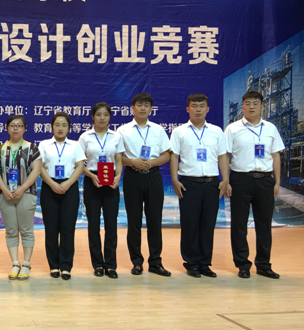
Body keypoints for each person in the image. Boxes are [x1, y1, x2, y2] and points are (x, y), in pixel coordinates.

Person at [224, 91, 285, 279]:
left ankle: (264, 265)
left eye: (255, 103)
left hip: (265, 180)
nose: (251, 106)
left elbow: (275, 156)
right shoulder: (232, 129)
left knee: (264, 224)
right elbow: (225, 156)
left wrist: (277, 182)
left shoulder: (270, 128)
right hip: (240, 179)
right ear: (242, 106)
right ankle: (242, 265)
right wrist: (226, 181)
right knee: (239, 224)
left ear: (262, 107)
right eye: (248, 103)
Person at [170, 94, 228, 278]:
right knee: (190, 225)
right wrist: (174, 179)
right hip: (189, 184)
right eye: (194, 106)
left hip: (212, 184)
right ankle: (192, 263)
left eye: (202, 106)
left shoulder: (217, 131)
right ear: (188, 109)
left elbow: (222, 156)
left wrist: (225, 179)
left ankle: (204, 263)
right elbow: (174, 156)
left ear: (207, 109)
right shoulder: (179, 132)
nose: (198, 109)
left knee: (208, 225)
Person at [117, 93, 171, 277]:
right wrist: (133, 162)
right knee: (134, 221)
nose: (143, 108)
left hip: (153, 176)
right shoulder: (123, 130)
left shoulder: (158, 130)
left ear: (151, 109)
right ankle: (137, 262)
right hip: (133, 176)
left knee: (155, 220)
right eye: (139, 105)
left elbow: (167, 154)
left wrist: (151, 163)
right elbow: (118, 157)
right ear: (133, 108)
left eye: (146, 105)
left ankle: (155, 262)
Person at [78, 103, 125, 279]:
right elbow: (79, 163)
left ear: (110, 117)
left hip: (111, 180)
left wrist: (118, 176)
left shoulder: (116, 136)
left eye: (105, 115)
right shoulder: (85, 137)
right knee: (94, 225)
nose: (102, 118)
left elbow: (119, 160)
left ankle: (111, 265)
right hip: (93, 180)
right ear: (93, 117)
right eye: (98, 115)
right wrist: (91, 176)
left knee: (111, 225)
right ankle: (98, 264)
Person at [0, 115, 42, 280]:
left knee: (26, 230)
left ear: (25, 128)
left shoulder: (32, 148)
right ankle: (15, 263)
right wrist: (4, 189)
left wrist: (22, 188)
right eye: (12, 125)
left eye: (19, 125)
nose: (15, 128)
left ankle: (26, 264)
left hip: (26, 193)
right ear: (7, 128)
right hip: (5, 195)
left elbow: (36, 170)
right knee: (11, 230)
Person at [38, 112, 85, 280]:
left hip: (69, 187)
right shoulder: (44, 144)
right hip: (49, 186)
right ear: (52, 126)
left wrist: (68, 183)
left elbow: (80, 166)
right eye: (57, 124)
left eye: (64, 125)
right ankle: (53, 265)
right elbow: (39, 167)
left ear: (69, 128)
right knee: (51, 229)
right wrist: (52, 184)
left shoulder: (75, 145)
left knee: (67, 228)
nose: (60, 128)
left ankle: (66, 266)